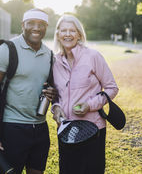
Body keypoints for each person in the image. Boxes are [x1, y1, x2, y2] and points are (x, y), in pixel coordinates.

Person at [0, 8, 57, 174]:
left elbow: (50, 87)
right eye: (31, 23)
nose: (36, 28)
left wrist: (52, 93)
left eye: (41, 24)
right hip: (13, 127)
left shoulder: (49, 55)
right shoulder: (7, 49)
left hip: (41, 128)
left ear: (46, 27)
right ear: (23, 25)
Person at [51, 14, 119, 174]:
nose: (68, 34)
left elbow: (112, 88)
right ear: (58, 34)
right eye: (64, 30)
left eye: (72, 30)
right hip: (66, 130)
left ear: (79, 34)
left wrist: (89, 105)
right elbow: (55, 94)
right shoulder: (54, 61)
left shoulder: (93, 56)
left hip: (93, 130)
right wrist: (55, 108)